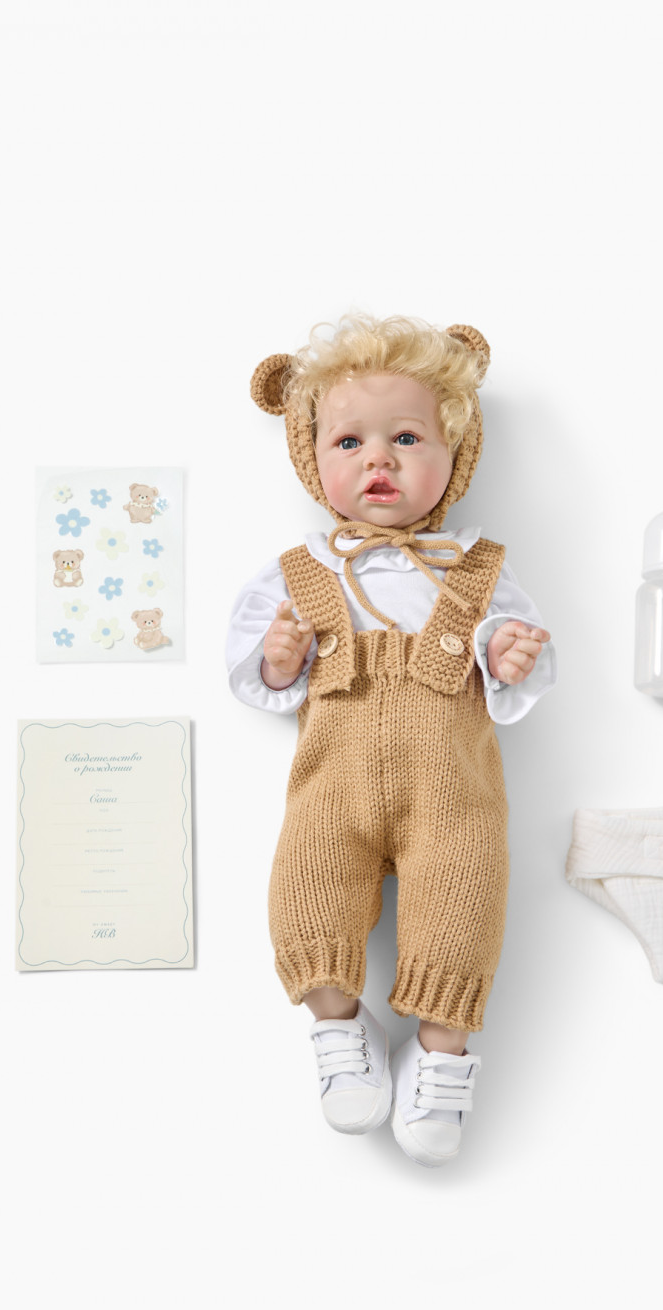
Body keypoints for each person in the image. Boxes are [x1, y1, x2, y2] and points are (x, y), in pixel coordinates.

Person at [227, 315, 556, 1166]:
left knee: (464, 910)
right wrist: (278, 657)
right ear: (313, 460)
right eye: (350, 441)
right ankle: (340, 1026)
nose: (379, 459)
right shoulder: (303, 570)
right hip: (331, 792)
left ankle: (441, 1053)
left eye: (406, 438)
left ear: (456, 451)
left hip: (453, 797)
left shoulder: (474, 567)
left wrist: (508, 654)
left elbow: (516, 663)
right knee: (303, 901)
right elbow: (254, 678)